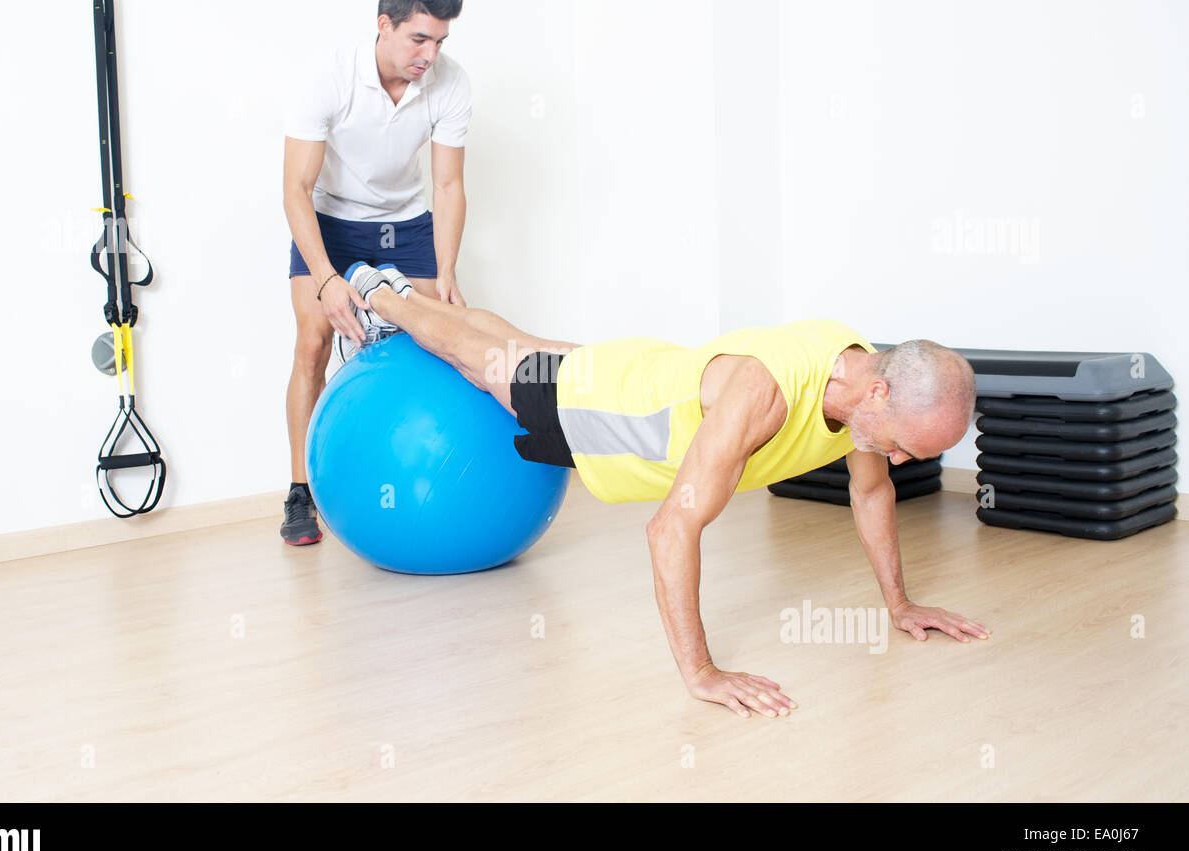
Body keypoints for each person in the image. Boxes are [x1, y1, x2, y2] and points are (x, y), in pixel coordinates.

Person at [335, 262, 992, 718]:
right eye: (908, 443)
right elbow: (671, 527)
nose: (903, 459)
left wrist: (900, 604)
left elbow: (871, 494)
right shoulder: (768, 394)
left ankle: (401, 291)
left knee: (512, 343)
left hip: (647, 370)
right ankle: (381, 295)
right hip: (595, 407)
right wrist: (701, 671)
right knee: (476, 358)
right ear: (879, 391)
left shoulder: (859, 376)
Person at [280, 0, 472, 545]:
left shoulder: (452, 83)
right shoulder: (329, 76)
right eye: (420, 38)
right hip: (331, 220)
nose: (430, 54)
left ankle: (407, 478)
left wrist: (446, 273)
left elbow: (447, 186)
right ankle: (300, 492)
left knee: (429, 339)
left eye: (440, 41)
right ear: (384, 26)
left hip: (404, 223)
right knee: (315, 341)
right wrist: (327, 279)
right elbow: (296, 189)